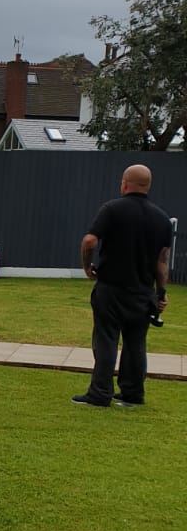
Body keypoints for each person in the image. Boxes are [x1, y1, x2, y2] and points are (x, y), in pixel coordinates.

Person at [72, 164, 172, 409]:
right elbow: (162, 261)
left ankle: (100, 393)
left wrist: (87, 266)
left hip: (112, 288)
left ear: (125, 183)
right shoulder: (162, 219)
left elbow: (89, 240)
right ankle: (132, 393)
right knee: (136, 343)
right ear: (147, 186)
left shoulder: (112, 210)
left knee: (106, 339)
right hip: (142, 291)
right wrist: (160, 293)